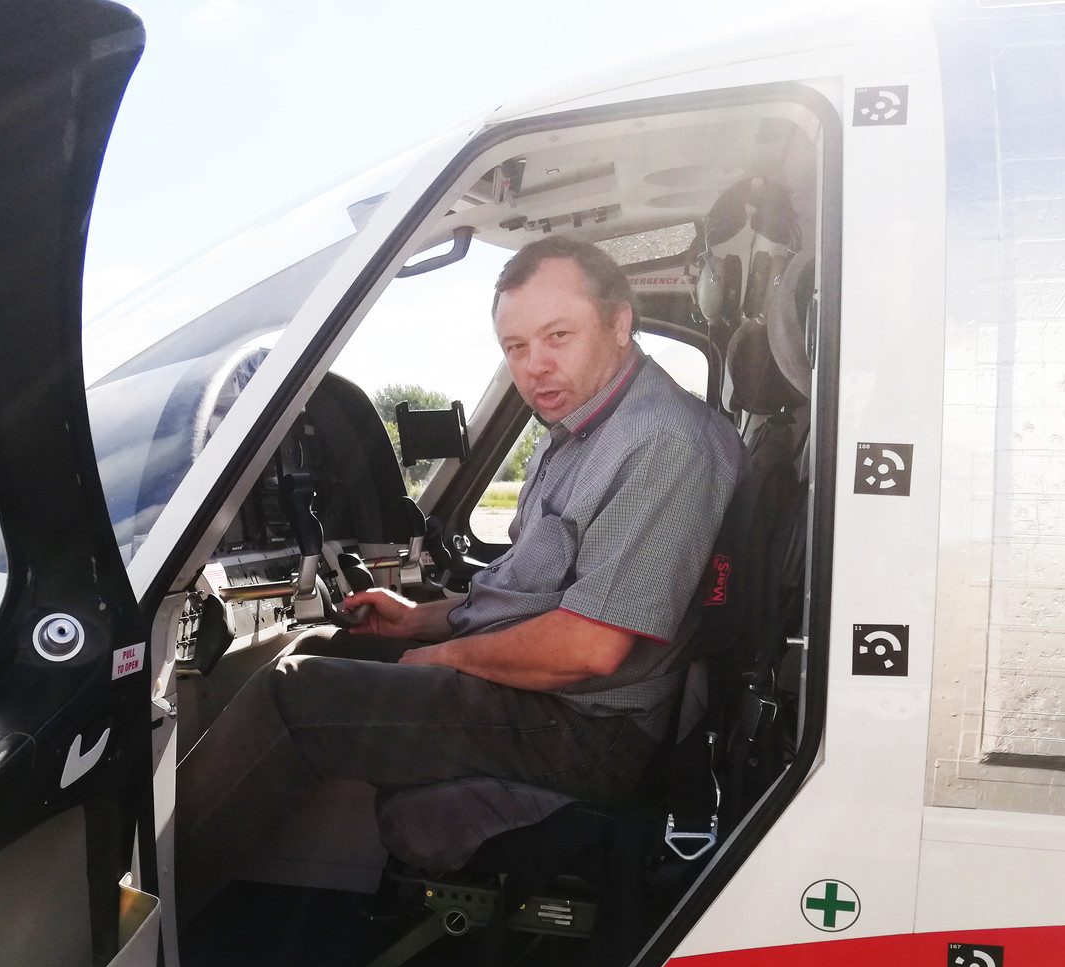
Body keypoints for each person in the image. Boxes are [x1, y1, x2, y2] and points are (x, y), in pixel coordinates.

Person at [175, 234, 744, 923]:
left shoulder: (662, 442)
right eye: (516, 347)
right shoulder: (580, 432)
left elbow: (590, 647)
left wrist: (444, 656)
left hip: (590, 731)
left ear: (619, 323)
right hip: (551, 700)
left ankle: (153, 918)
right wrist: (417, 619)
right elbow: (530, 594)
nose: (535, 365)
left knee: (294, 694)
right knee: (317, 644)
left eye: (558, 336)